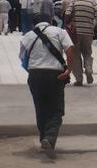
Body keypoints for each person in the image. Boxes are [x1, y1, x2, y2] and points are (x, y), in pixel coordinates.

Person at [19, 13, 74, 159]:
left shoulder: (27, 36)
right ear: (50, 21)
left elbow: (23, 59)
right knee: (57, 110)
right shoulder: (59, 31)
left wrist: (33, 71)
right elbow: (69, 50)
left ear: (33, 24)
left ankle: (44, 138)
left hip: (35, 75)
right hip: (55, 75)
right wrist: (69, 69)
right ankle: (49, 138)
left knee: (41, 108)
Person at [65, 0, 97, 86]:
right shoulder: (92, 3)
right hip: (88, 33)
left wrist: (67, 24)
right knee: (87, 53)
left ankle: (79, 79)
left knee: (76, 55)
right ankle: (88, 69)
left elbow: (67, 13)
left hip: (75, 33)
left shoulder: (74, 2)